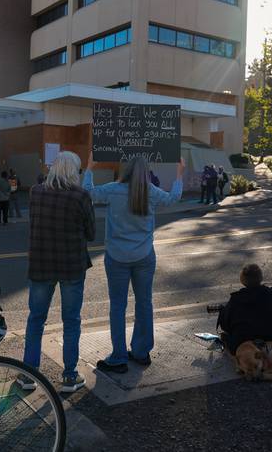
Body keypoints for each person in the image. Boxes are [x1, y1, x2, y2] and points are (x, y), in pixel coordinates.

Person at [83, 154, 185, 373]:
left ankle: (118, 357)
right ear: (146, 171)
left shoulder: (112, 189)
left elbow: (88, 192)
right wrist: (179, 173)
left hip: (117, 256)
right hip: (144, 256)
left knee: (118, 307)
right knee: (144, 303)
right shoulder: (151, 192)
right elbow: (173, 198)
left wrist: (89, 167)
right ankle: (141, 352)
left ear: (126, 170)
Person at [21, 151, 95, 393]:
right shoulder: (80, 196)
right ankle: (69, 376)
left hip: (41, 265)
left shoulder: (36, 192)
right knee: (71, 321)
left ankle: (28, 375)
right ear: (74, 171)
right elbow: (91, 233)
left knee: (36, 319)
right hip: (71, 267)